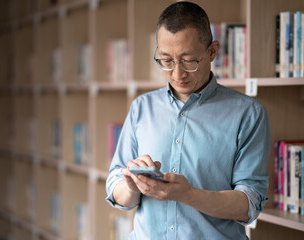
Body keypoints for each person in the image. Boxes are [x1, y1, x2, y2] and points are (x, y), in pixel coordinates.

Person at [106, 1, 270, 239]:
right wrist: (131, 187)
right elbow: (114, 184)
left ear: (212, 51)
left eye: (188, 60)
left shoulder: (248, 113)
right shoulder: (142, 107)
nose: (177, 73)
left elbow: (249, 203)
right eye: (166, 60)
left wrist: (188, 194)